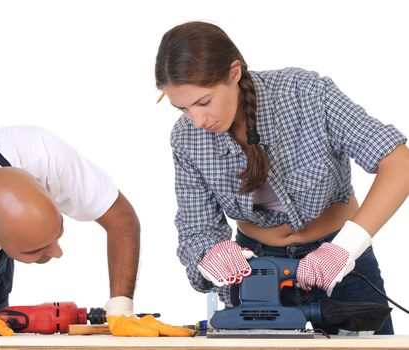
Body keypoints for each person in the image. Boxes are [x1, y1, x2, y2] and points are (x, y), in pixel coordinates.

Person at [155, 21, 409, 334]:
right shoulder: (186, 138)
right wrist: (210, 251)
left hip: (343, 264)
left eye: (203, 102)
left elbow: (399, 164)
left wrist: (345, 247)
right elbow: (197, 227)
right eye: (182, 109)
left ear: (234, 73)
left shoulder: (307, 94)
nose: (196, 121)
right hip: (255, 275)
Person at [0, 126, 193, 350]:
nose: (58, 252)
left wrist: (121, 309)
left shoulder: (43, 155)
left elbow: (121, 219)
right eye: (37, 249)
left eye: (56, 233)